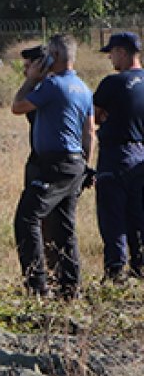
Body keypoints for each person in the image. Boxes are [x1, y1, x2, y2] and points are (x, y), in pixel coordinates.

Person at [11, 34, 94, 298]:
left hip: (53, 164)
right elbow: (90, 132)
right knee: (64, 226)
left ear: (54, 57)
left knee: (27, 217)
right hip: (75, 163)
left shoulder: (53, 85)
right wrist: (85, 166)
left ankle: (37, 285)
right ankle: (71, 287)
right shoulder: (83, 87)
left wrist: (32, 78)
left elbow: (17, 106)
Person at [93, 32, 144, 281]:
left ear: (122, 53)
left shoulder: (113, 82)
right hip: (140, 155)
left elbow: (94, 116)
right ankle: (140, 266)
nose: (111, 58)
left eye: (112, 53)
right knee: (138, 214)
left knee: (113, 216)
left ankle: (115, 271)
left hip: (116, 155)